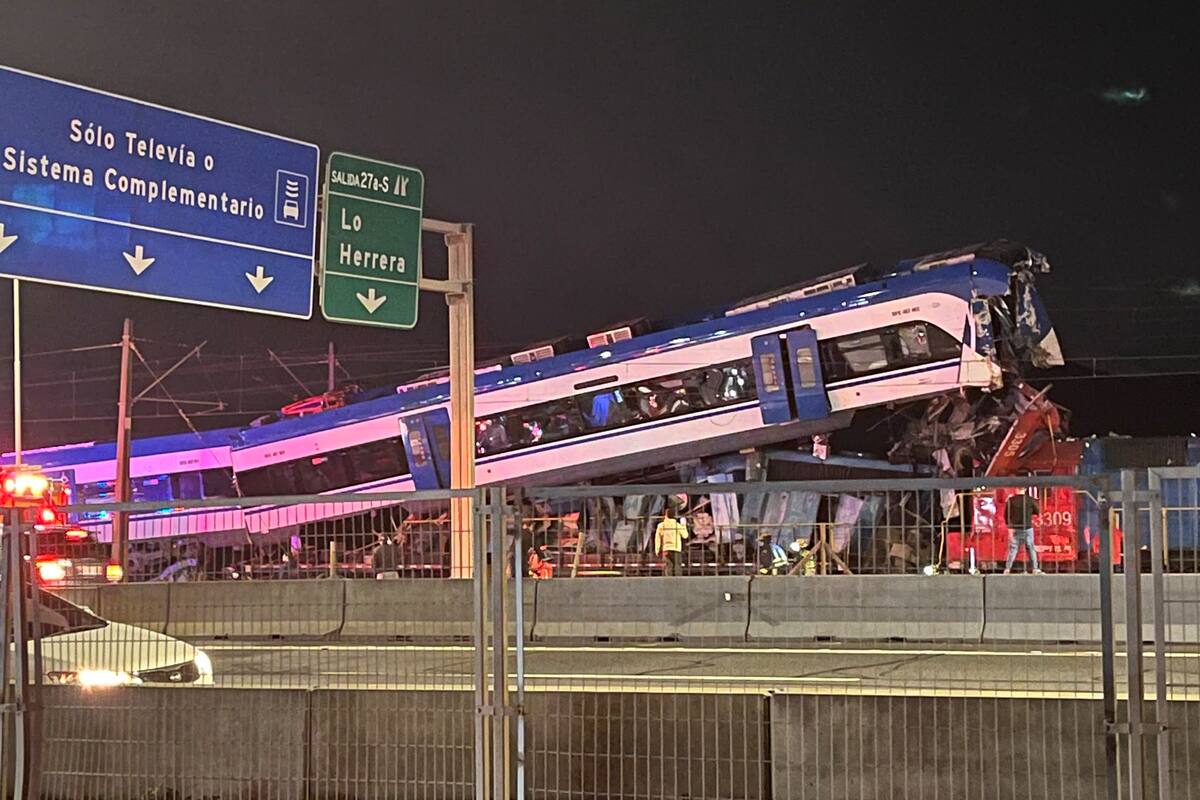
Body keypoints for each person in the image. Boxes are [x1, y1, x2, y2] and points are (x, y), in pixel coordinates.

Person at [1003, 487, 1044, 574]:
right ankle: (1035, 568)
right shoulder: (1030, 500)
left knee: (1013, 549)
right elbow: (1037, 511)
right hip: (1027, 528)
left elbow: (1006, 515)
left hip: (1015, 528)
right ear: (1025, 489)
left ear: (1016, 489)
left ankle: (1007, 569)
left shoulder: (1010, 500)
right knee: (1031, 548)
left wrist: (1009, 527)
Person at [654, 500, 690, 576]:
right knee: (677, 566)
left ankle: (668, 583)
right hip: (676, 549)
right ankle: (678, 583)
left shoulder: (661, 525)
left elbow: (657, 539)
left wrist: (657, 550)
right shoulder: (677, 525)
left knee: (668, 567)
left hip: (666, 549)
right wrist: (684, 525)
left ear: (665, 515)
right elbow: (685, 535)